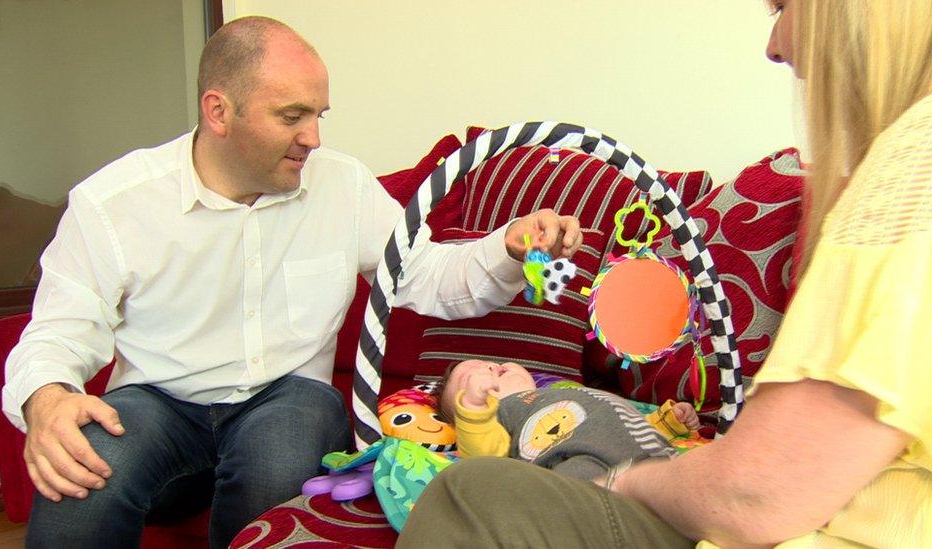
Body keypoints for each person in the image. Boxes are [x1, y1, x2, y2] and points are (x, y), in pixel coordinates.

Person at [3, 16, 583, 548]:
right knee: (81, 465)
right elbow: (58, 328)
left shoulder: (343, 186)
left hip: (285, 398)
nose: (314, 138)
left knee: (279, 449)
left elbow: (428, 276)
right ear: (218, 111)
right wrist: (48, 399)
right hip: (160, 403)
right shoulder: (113, 203)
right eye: (292, 117)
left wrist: (507, 247)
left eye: (318, 115)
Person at [399, 1, 932, 547]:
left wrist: (621, 480)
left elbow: (754, 493)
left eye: (783, 5)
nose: (773, 44)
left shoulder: (909, 176)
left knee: (470, 496)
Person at [436, 359, 700, 481]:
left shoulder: (562, 392)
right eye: (469, 379)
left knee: (692, 483)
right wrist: (474, 409)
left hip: (646, 456)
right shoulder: (503, 413)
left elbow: (618, 424)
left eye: (488, 362)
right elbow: (485, 458)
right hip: (579, 469)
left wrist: (666, 423)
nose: (488, 368)